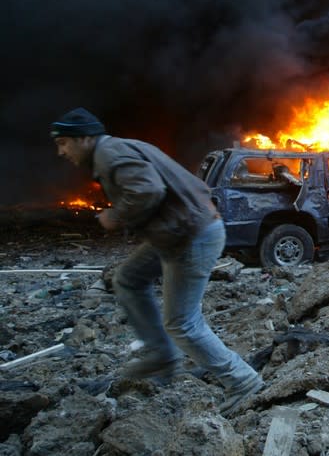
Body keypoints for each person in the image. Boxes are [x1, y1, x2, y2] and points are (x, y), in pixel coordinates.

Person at [51, 107, 264, 416]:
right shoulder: (118, 148)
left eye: (63, 143)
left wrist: (115, 215)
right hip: (179, 232)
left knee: (182, 322)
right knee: (128, 278)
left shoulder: (109, 154)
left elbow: (148, 189)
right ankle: (162, 354)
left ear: (84, 138)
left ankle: (243, 381)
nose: (60, 151)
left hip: (192, 235)